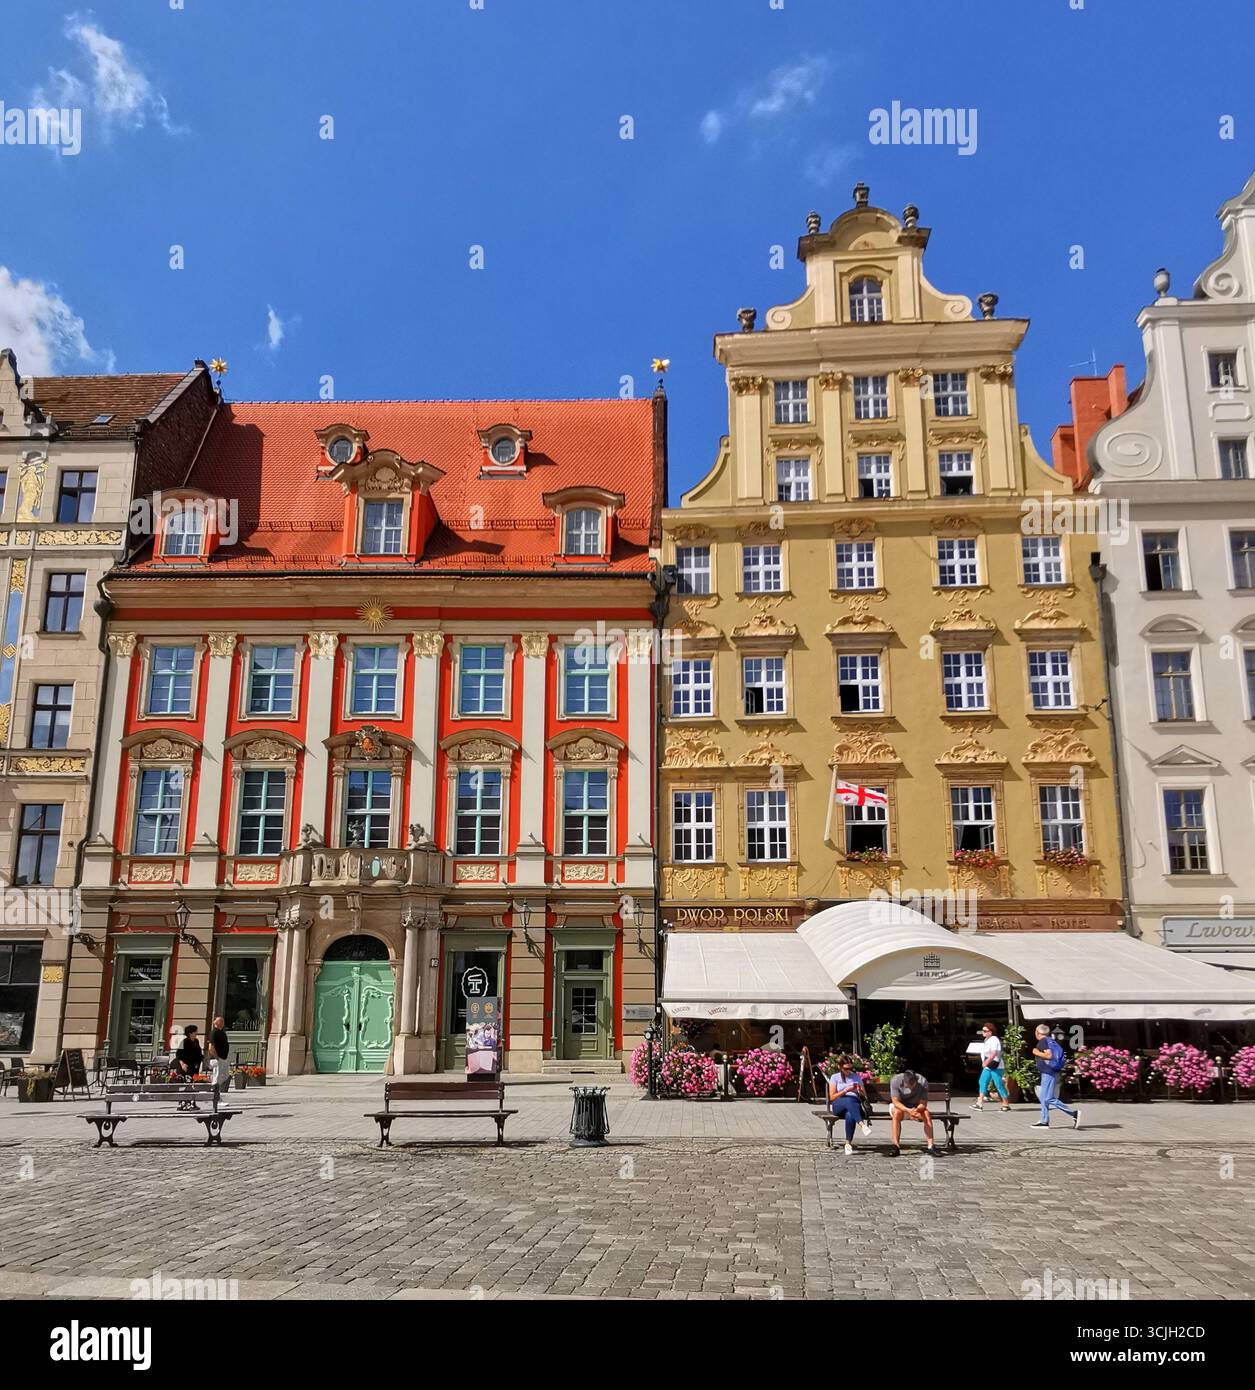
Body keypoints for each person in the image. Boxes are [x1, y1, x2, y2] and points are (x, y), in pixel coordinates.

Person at [1030, 1023, 1081, 1129]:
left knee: (1048, 1098)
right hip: (1052, 1071)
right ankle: (1044, 1121)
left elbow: (1049, 1055)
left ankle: (1073, 1113)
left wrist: (1036, 1053)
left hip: (1048, 1072)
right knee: (1044, 1097)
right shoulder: (1052, 1041)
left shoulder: (1043, 1041)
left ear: (1037, 1032)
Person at [889, 1068, 935, 1155]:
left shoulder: (922, 1081)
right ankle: (895, 1146)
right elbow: (895, 1101)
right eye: (908, 1085)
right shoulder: (895, 1080)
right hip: (900, 1107)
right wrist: (908, 1110)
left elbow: (923, 1103)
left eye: (912, 1085)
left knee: (926, 1113)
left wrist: (916, 1110)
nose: (910, 1087)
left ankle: (931, 1146)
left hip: (916, 1107)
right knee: (896, 1113)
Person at [827, 1055, 866, 1155]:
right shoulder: (835, 1077)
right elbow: (832, 1097)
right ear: (840, 1067)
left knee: (850, 1114)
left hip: (854, 1103)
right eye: (846, 1068)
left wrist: (859, 1090)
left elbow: (864, 1095)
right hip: (839, 1104)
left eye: (850, 1068)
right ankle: (861, 1124)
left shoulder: (856, 1077)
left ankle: (848, 1143)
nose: (848, 1071)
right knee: (848, 1100)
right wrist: (845, 1090)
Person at [971, 1023, 1011, 1112]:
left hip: (995, 1065)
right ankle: (979, 1103)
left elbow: (994, 1053)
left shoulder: (994, 1039)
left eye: (985, 1031)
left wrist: (986, 1062)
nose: (983, 1032)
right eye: (983, 1031)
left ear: (991, 1032)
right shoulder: (987, 1040)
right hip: (989, 1066)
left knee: (998, 1084)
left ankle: (1006, 1103)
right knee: (982, 1081)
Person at [173, 1025, 203, 1111]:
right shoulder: (184, 1042)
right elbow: (178, 1054)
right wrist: (182, 1063)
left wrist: (198, 1062)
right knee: (184, 1086)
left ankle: (192, 1104)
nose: (197, 1033)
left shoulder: (196, 1041)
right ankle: (182, 1104)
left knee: (193, 1086)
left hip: (194, 1068)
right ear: (190, 1033)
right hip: (185, 1068)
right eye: (195, 1031)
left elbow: (199, 1054)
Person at [207, 1015, 231, 1095]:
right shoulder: (214, 1033)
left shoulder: (222, 1033)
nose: (223, 1023)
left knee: (226, 1075)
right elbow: (211, 1047)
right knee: (217, 1076)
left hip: (224, 1057)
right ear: (215, 1022)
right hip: (217, 1058)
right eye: (221, 1021)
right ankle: (215, 1092)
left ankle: (214, 1086)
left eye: (223, 1021)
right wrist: (216, 1057)